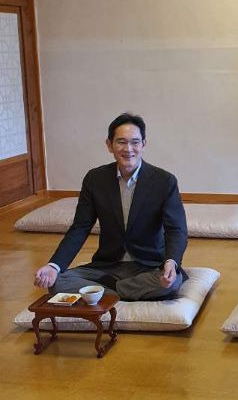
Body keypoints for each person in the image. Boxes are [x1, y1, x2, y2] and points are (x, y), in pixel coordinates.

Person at [34, 112, 188, 301]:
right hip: (107, 267)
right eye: (121, 142)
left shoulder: (164, 181)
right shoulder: (95, 179)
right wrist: (54, 266)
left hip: (149, 265)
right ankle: (124, 292)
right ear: (109, 145)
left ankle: (106, 293)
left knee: (171, 282)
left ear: (144, 145)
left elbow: (176, 230)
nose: (128, 149)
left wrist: (171, 263)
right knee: (59, 281)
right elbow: (80, 227)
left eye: (135, 142)